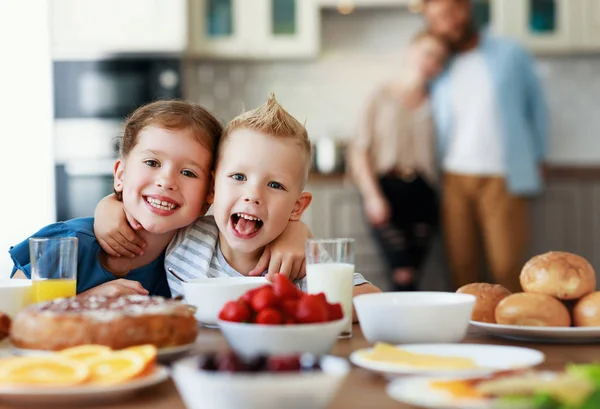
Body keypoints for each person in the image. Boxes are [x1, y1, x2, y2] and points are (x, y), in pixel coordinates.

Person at [98, 95, 381, 320]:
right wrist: (108, 206)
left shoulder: (301, 263)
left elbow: (372, 300)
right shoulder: (186, 235)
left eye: (275, 185)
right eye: (238, 177)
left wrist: (295, 308)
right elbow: (151, 212)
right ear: (211, 189)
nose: (252, 195)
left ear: (297, 207)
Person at [10, 100, 308, 298]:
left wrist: (296, 232)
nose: (167, 181)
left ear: (209, 194)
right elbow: (11, 317)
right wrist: (89, 303)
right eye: (152, 163)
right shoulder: (68, 245)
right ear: (120, 174)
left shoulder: (192, 248)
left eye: (189, 173)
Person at [423, 0, 548, 292]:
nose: (447, 23)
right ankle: (467, 335)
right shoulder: (439, 63)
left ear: (466, 9)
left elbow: (537, 107)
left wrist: (539, 155)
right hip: (452, 176)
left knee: (507, 265)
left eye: (451, 13)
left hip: (502, 176)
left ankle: (515, 331)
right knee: (461, 267)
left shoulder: (510, 53)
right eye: (437, 19)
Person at [347, 31, 448, 292]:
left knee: (413, 272)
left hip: (424, 194)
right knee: (401, 271)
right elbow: (359, 150)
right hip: (387, 191)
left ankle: (408, 332)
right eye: (427, 53)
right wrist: (372, 197)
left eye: (439, 59)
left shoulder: (438, 102)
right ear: (411, 51)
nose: (431, 62)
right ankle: (401, 331)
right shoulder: (380, 96)